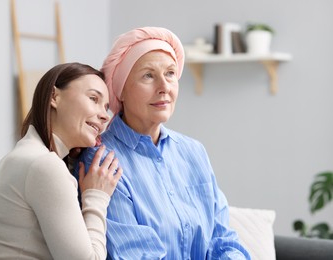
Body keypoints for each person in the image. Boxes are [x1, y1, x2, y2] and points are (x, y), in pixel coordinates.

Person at [77, 27, 251, 259]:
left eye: (170, 73)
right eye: (148, 75)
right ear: (120, 92)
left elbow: (223, 239)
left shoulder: (193, 152)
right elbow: (135, 255)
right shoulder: (102, 160)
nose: (164, 87)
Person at [0, 62, 122, 260]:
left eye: (106, 108)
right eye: (93, 98)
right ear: (54, 97)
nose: (104, 116)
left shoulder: (25, 155)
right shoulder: (43, 165)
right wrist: (97, 196)